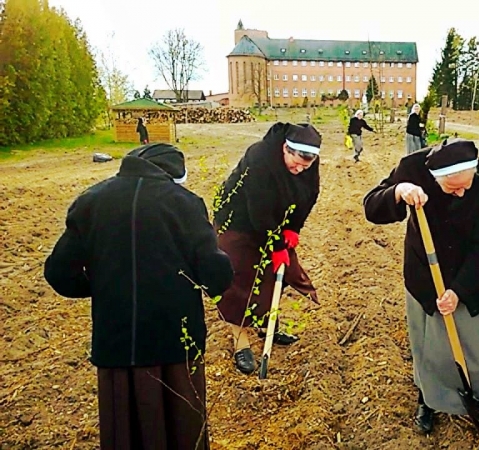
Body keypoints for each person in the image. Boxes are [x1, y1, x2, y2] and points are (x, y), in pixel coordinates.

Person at [43, 143, 234, 450]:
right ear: (173, 175)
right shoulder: (185, 203)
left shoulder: (91, 201)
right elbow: (216, 275)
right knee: (181, 428)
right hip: (175, 342)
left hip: (117, 343)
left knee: (125, 430)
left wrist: (103, 287)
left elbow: (59, 273)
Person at [363, 138, 479, 437]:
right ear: (435, 179)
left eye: (465, 186)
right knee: (431, 347)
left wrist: (459, 289)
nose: (461, 192)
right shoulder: (412, 169)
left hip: (477, 278)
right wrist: (398, 191)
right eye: (452, 188)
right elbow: (372, 207)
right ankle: (429, 399)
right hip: (426, 276)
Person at [213, 122, 321, 375]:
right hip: (238, 222)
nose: (299, 170)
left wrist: (293, 228)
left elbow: (309, 196)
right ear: (285, 148)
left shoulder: (308, 162)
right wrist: (276, 246)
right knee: (240, 281)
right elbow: (258, 211)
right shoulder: (259, 157)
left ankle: (267, 327)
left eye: (306, 166)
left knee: (272, 277)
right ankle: (241, 344)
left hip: (273, 221)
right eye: (296, 163)